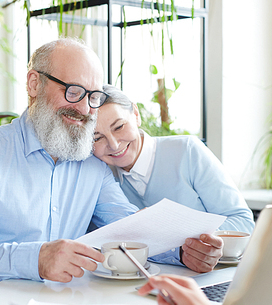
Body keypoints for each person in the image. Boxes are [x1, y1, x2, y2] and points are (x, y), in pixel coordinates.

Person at [34, 0, 272, 305]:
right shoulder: (97, 176)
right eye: (96, 138)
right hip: (164, 292)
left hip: (212, 280)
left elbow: (243, 227)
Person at [0, 38, 139, 305]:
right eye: (73, 91)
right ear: (34, 84)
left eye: (93, 96)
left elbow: (133, 229)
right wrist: (37, 259)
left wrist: (184, 250)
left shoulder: (92, 164)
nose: (84, 108)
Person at [92, 84, 254, 272]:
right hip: (149, 285)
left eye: (119, 127)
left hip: (214, 277)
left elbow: (242, 220)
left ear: (135, 114)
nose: (113, 144)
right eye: (97, 138)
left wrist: (191, 242)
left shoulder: (187, 151)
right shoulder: (102, 178)